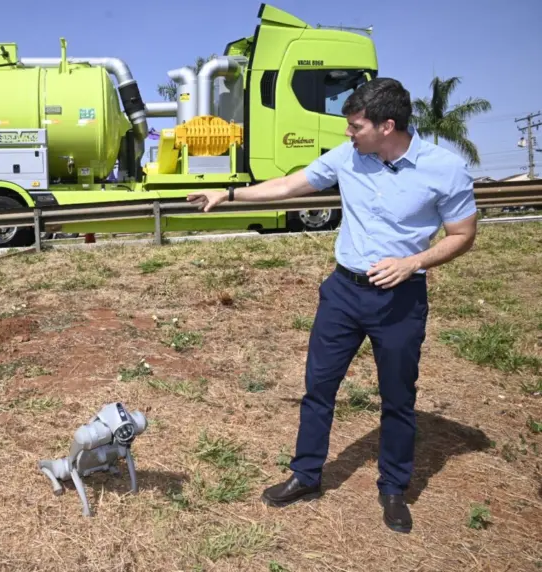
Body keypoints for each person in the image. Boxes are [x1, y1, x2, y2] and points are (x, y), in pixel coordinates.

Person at [187, 78, 478, 534]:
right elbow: (290, 185)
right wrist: (229, 193)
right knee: (318, 388)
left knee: (398, 398)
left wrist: (413, 263)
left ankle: (394, 488)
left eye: (356, 126)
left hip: (400, 299)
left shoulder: (446, 169)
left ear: (387, 125)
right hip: (343, 293)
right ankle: (306, 475)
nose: (348, 133)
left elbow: (462, 235)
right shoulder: (348, 157)